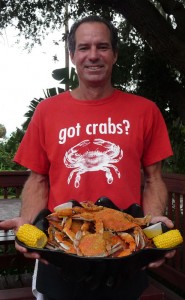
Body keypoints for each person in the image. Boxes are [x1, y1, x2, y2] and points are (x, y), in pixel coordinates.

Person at [0, 15, 175, 300]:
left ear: (115, 54)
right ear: (72, 55)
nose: (93, 55)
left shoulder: (145, 111)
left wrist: (153, 222)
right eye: (84, 48)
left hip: (124, 249)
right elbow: (39, 178)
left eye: (102, 46)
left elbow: (154, 179)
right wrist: (30, 222)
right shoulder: (47, 111)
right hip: (60, 249)